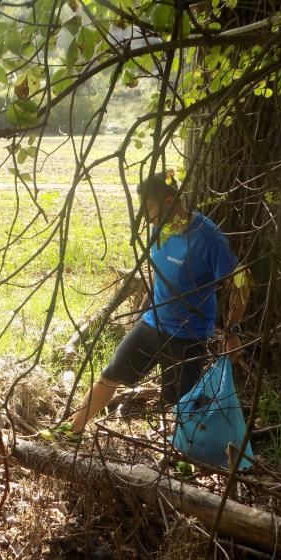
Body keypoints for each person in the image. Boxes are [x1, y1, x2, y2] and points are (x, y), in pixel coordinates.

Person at [51, 170, 246, 441]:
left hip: (187, 336)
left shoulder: (208, 238)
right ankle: (70, 431)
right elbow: (160, 274)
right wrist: (144, 308)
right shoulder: (159, 230)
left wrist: (232, 331)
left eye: (150, 209)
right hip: (152, 323)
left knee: (181, 405)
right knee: (110, 374)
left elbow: (242, 284)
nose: (147, 218)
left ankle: (186, 460)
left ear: (169, 201)